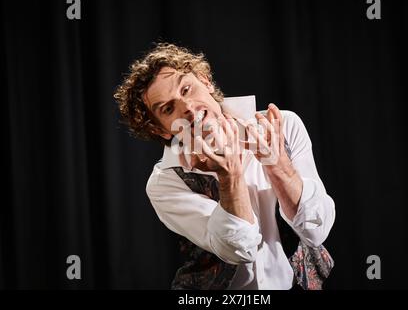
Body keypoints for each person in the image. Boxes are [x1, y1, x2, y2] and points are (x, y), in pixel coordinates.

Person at [113, 43, 336, 290]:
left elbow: (317, 231)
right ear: (160, 129)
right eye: (168, 108)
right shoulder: (165, 182)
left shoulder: (282, 126)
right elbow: (240, 250)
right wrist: (231, 176)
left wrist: (278, 163)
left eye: (187, 89)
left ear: (205, 81)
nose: (186, 107)